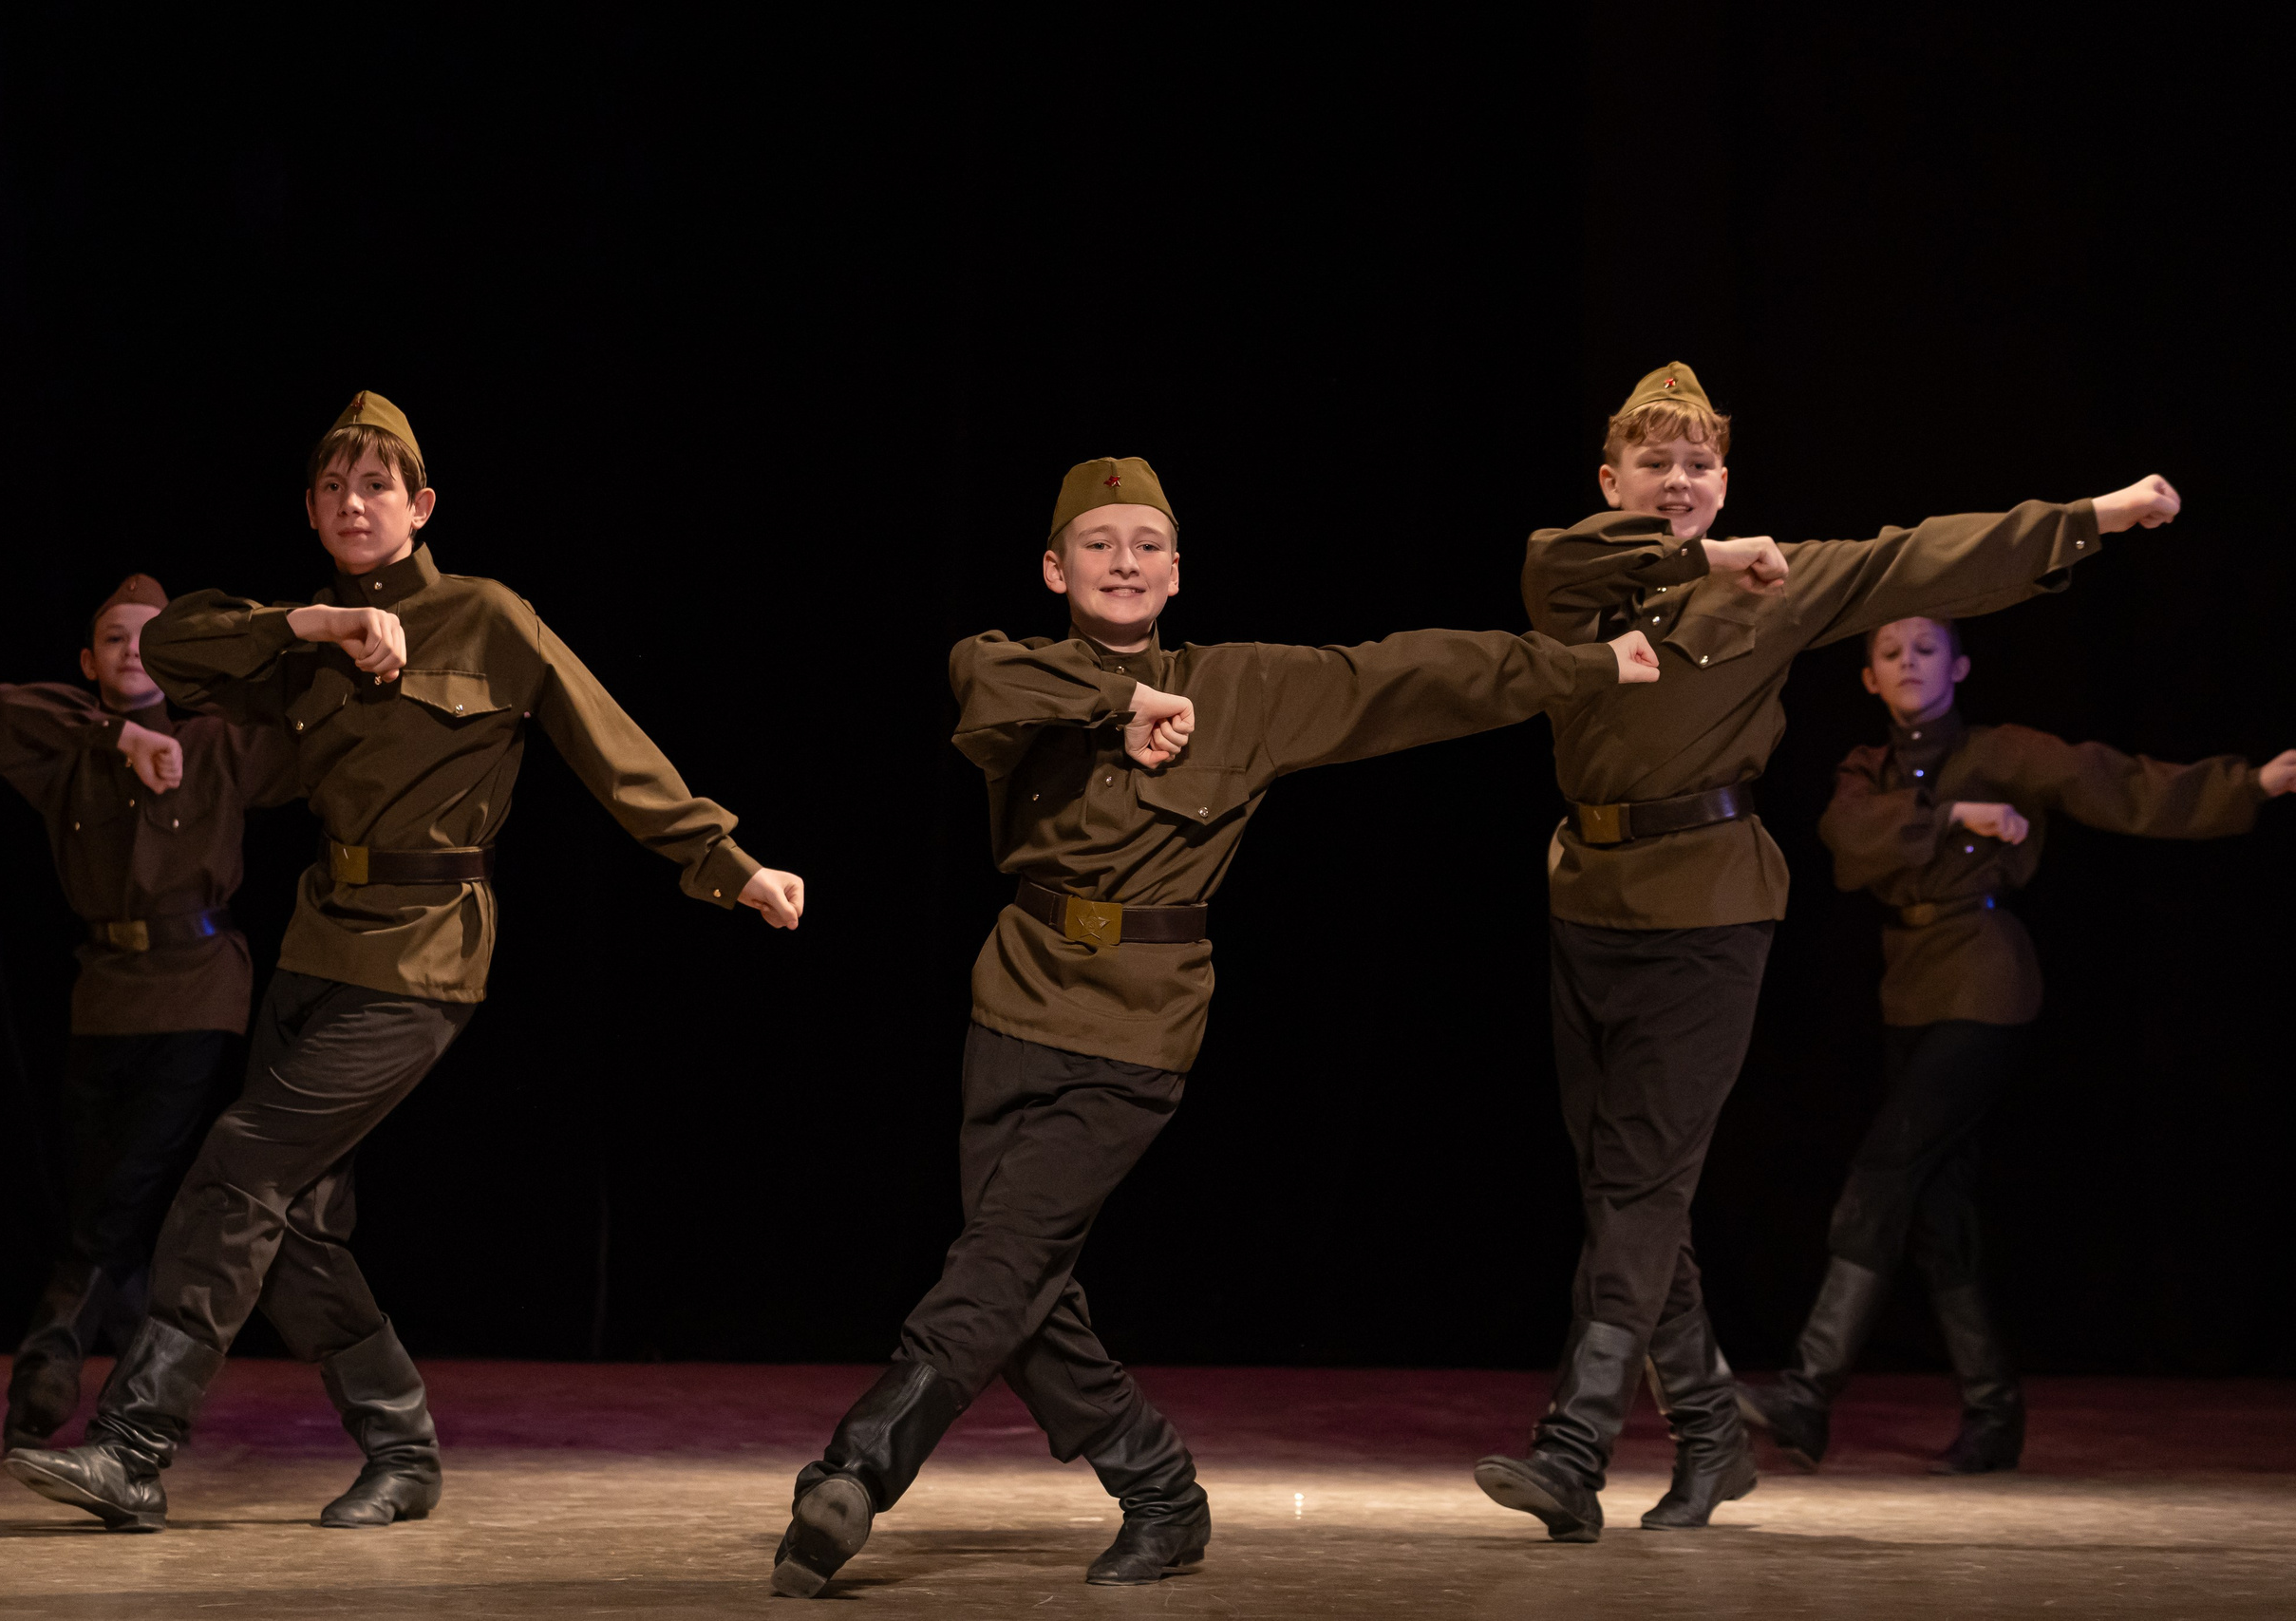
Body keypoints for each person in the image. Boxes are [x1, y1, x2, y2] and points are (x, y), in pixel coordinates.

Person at [767, 455, 1661, 1597]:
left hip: (1138, 1026)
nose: (1124, 561)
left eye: (1146, 544)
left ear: (1178, 572)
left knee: (999, 1263)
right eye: (1098, 544)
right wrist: (1124, 701)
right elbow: (986, 682)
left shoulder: (1241, 688)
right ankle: (1160, 1490)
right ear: (1055, 568)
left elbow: (1418, 672)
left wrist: (1591, 664)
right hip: (1015, 1002)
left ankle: (855, 1471)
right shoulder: (1014, 666)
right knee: (1019, 1286)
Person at [4, 391, 807, 1533]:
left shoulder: (487, 617)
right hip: (318, 940)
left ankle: (134, 1446)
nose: (352, 504)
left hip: (425, 957)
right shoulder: (304, 636)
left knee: (240, 1166)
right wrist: (312, 625)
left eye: (375, 485)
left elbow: (611, 749)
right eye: (332, 488)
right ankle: (400, 1443)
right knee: (292, 1229)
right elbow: (170, 643)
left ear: (421, 505)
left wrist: (731, 865)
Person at [1472, 361, 2187, 1544]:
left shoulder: (1777, 586)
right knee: (1625, 1189)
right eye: (1657, 463)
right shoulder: (1582, 577)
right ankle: (1709, 1437)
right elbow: (1555, 561)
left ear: (1726, 479)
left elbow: (1922, 557)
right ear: (1612, 479)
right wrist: (1705, 552)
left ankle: (1575, 1444)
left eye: (1701, 465)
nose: (1682, 481)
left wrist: (2095, 516)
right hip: (1587, 903)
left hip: (1707, 910)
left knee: (1642, 1183)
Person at [1737, 614, 2293, 1475]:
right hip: (1909, 988)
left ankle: (1808, 1392)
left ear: (1959, 664)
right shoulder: (1867, 767)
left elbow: (2113, 781)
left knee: (1884, 1171)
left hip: (1984, 979)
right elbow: (1847, 842)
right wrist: (1953, 811)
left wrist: (2249, 783)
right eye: (1890, 653)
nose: (1909, 661)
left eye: (1925, 648)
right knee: (1936, 1208)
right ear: (1869, 681)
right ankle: (1994, 1414)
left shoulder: (2002, 749)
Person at [0, 574, 296, 1452]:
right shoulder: (68, 747)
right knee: (103, 1195)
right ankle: (141, 1395)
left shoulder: (216, 741)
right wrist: (116, 735)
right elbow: (9, 705)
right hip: (102, 989)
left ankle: (45, 1368)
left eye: (149, 639)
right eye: (115, 640)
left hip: (198, 983)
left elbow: (307, 740)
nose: (132, 652)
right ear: (88, 662)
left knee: (124, 1190)